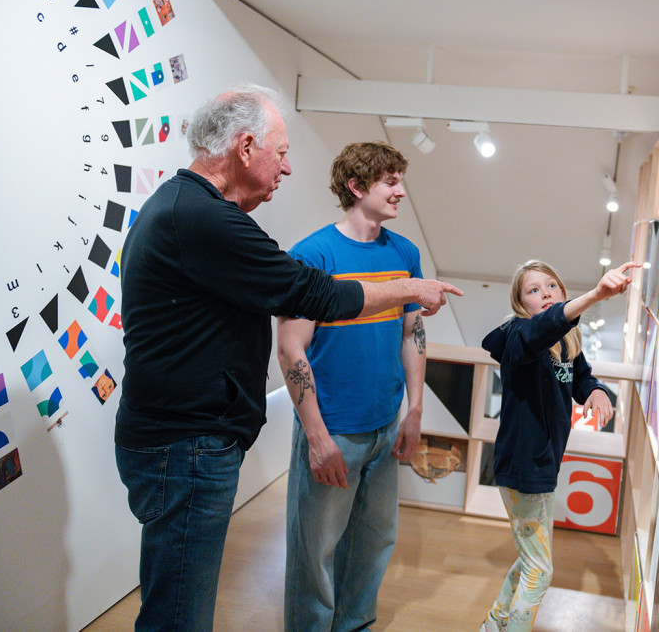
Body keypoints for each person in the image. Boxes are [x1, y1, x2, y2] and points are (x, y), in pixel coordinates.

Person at [114, 86, 460, 632]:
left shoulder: (188, 209)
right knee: (179, 614)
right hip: (185, 446)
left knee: (178, 605)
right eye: (280, 152)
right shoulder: (201, 218)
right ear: (245, 147)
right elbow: (310, 294)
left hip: (188, 442)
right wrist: (409, 288)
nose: (288, 167)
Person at [276, 141, 434, 631]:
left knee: (373, 544)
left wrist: (414, 410)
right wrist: (317, 437)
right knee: (315, 552)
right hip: (334, 430)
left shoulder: (405, 253)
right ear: (356, 186)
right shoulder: (313, 254)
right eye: (391, 182)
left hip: (386, 426)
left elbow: (412, 333)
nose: (401, 192)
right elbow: (290, 350)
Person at [480, 259, 637, 631]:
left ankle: (494, 624)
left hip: (543, 466)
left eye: (551, 286)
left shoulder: (567, 340)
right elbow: (543, 328)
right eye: (533, 290)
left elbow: (581, 376)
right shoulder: (519, 336)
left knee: (531, 559)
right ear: (521, 304)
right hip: (522, 467)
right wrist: (595, 295)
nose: (545, 293)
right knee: (540, 571)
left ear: (562, 291)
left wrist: (596, 391)